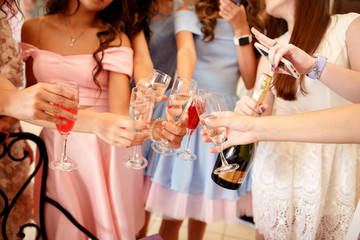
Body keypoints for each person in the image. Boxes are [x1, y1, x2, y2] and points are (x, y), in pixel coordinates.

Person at [20, 0, 186, 239]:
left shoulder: (115, 36)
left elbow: (119, 114)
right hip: (56, 146)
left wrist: (159, 129)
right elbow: (29, 98)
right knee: (59, 225)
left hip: (101, 150)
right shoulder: (32, 28)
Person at [221, 0, 360, 238]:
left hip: (331, 173)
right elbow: (261, 107)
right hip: (278, 168)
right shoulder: (272, 49)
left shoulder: (350, 26)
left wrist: (315, 67)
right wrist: (248, 109)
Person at [144, 0, 265, 239]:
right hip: (193, 106)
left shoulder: (252, 18)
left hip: (224, 115)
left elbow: (250, 80)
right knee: (174, 210)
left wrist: (241, 29)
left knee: (202, 208)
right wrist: (184, 91)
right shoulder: (190, 10)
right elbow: (186, 51)